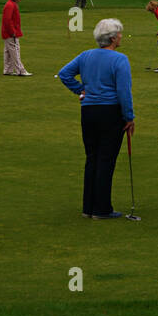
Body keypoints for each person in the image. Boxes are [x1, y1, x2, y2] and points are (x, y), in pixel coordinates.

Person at [57, 17, 135, 219]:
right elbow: (124, 92)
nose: (120, 36)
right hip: (110, 112)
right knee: (106, 159)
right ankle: (101, 208)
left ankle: (88, 206)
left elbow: (64, 74)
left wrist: (81, 90)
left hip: (89, 111)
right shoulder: (120, 59)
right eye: (119, 33)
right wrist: (129, 117)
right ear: (112, 38)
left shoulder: (86, 56)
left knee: (92, 157)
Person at [1, 0, 31, 76]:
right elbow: (7, 20)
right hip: (10, 33)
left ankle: (8, 70)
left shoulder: (11, 4)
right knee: (15, 51)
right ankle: (21, 71)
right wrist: (12, 32)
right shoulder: (10, 5)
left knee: (8, 52)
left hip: (8, 33)